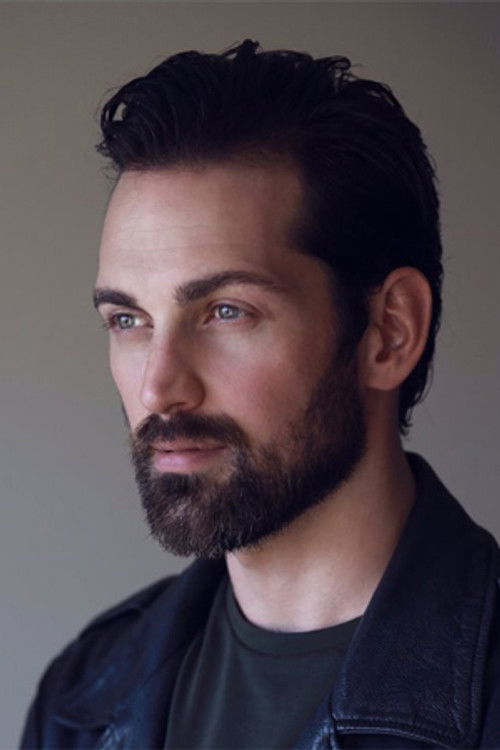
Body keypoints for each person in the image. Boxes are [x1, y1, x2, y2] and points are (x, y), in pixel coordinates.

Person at [21, 39, 500, 749]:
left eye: (225, 311)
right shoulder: (82, 699)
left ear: (389, 332)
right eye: (128, 320)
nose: (157, 387)